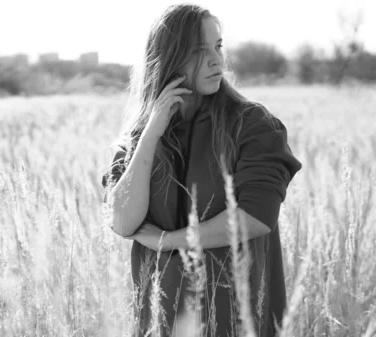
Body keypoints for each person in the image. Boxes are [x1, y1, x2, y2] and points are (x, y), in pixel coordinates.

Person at [101, 3, 303, 337]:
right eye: (199, 51)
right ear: (168, 59)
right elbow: (123, 222)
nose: (216, 61)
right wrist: (152, 133)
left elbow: (256, 217)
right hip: (162, 321)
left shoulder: (252, 124)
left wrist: (169, 242)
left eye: (218, 47)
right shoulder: (137, 139)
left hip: (239, 320)